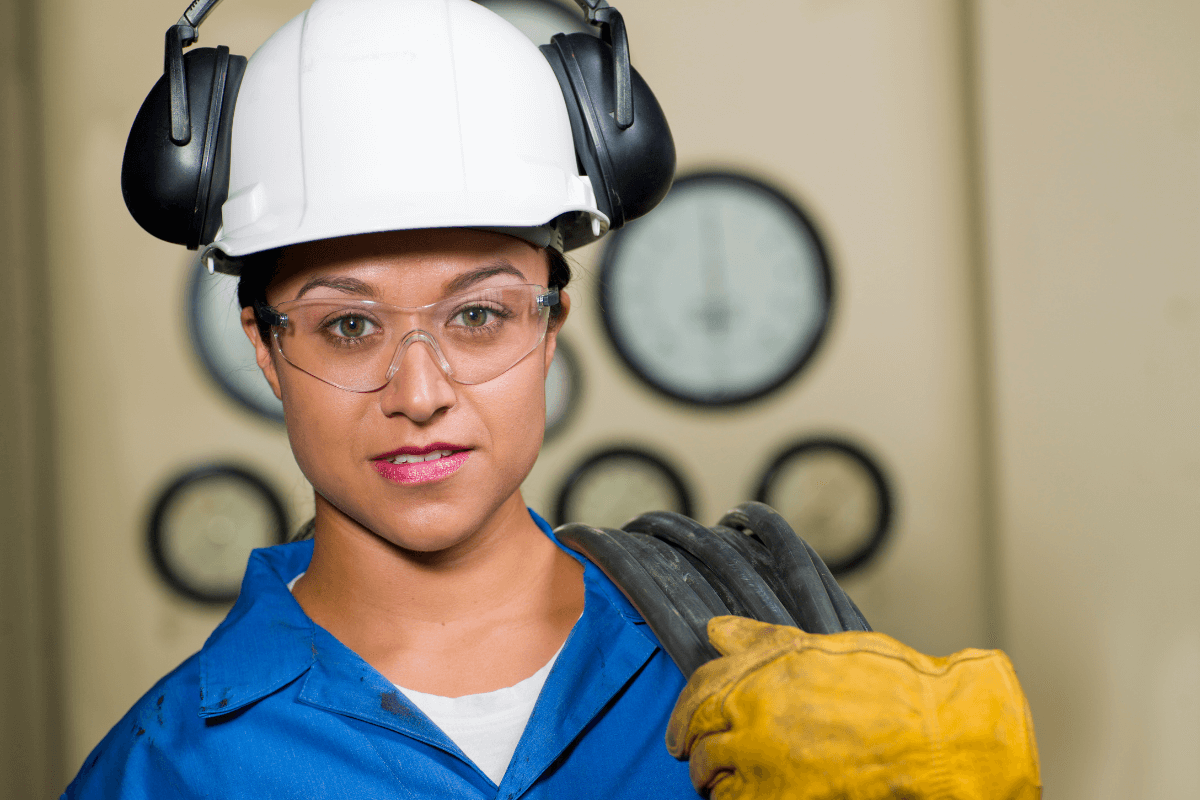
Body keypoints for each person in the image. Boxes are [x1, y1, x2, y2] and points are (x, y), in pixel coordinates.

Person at [67, 0, 1042, 797]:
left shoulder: (762, 676)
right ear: (267, 349)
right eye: (350, 325)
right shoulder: (168, 767)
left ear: (550, 323)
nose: (420, 392)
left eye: (479, 316)